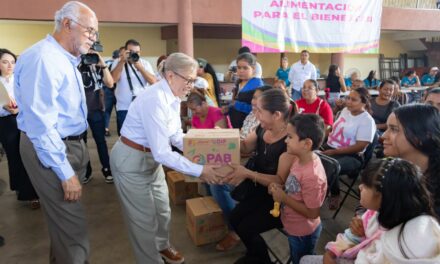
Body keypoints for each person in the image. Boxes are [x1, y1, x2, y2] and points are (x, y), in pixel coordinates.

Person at [110, 52, 226, 264]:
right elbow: (163, 152)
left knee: (163, 210)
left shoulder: (172, 97)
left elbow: (175, 137)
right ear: (171, 75)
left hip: (150, 161)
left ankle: (162, 246)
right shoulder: (154, 99)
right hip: (130, 160)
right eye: (188, 80)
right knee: (143, 220)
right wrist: (201, 171)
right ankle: (149, 259)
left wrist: (204, 155)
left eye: (193, 80)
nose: (191, 85)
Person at [14, 2, 97, 262]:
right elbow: (41, 126)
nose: (93, 39)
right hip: (50, 149)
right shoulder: (44, 59)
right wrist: (65, 173)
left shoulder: (65, 58)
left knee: (63, 225)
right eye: (90, 31)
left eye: (95, 34)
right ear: (67, 24)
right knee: (74, 231)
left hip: (67, 144)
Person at [300, 158, 440, 264]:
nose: (360, 187)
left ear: (382, 196)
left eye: (366, 186)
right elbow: (352, 236)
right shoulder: (373, 214)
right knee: (305, 260)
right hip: (354, 254)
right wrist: (332, 252)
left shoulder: (413, 241)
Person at [224, 89, 297, 264]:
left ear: (277, 115)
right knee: (234, 218)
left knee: (247, 227)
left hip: (278, 199)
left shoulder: (291, 140)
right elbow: (245, 148)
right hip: (258, 191)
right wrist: (223, 138)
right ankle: (258, 255)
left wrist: (248, 173)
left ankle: (260, 259)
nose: (256, 115)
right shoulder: (261, 128)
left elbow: (280, 181)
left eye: (259, 111)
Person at [268, 114, 327, 264]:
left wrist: (283, 198)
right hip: (293, 224)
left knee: (300, 260)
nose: (286, 140)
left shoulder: (312, 176)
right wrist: (280, 188)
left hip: (303, 232)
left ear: (306, 144)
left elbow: (313, 213)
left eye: (290, 137)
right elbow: (295, 188)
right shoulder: (299, 159)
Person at [322, 88, 376, 210]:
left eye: (353, 100)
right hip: (331, 147)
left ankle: (334, 194)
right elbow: (333, 129)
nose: (348, 102)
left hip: (352, 156)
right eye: (348, 98)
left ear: (364, 102)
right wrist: (319, 139)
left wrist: (335, 152)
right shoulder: (346, 110)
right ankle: (317, 189)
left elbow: (360, 146)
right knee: (310, 155)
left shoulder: (367, 120)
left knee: (330, 165)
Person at [382, 104, 440, 216]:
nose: (384, 135)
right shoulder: (389, 166)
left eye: (394, 129)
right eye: (387, 128)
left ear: (422, 137)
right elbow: (373, 193)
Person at [0, 49, 39, 208]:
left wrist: (19, 108)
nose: (10, 65)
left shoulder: (20, 79)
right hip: (5, 123)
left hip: (24, 120)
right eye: (5, 62)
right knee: (15, 156)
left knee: (29, 155)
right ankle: (25, 191)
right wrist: (5, 108)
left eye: (13, 62)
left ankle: (29, 190)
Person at [78, 47, 114, 184]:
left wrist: (101, 62)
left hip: (96, 111)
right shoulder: (76, 66)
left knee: (101, 141)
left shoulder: (98, 67)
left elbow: (110, 83)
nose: (89, 56)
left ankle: (107, 169)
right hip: (79, 112)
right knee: (82, 143)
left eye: (92, 53)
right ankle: (87, 171)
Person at [111, 39, 157, 135]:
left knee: (143, 136)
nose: (134, 54)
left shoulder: (144, 63)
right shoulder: (118, 62)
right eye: (131, 52)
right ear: (125, 51)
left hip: (142, 107)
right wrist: (122, 62)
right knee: (125, 137)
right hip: (124, 108)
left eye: (137, 52)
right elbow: (113, 80)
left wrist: (140, 68)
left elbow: (153, 82)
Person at [225, 52, 264, 129]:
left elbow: (259, 109)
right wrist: (228, 108)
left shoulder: (258, 85)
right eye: (239, 68)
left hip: (249, 128)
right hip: (236, 125)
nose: (241, 71)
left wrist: (236, 105)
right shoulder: (238, 83)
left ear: (253, 68)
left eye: (245, 68)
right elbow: (235, 102)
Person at [103, 47, 123, 137]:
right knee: (119, 110)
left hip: (107, 90)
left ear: (112, 56)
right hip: (118, 89)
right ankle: (121, 130)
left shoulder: (106, 63)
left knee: (107, 111)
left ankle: (105, 129)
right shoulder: (119, 64)